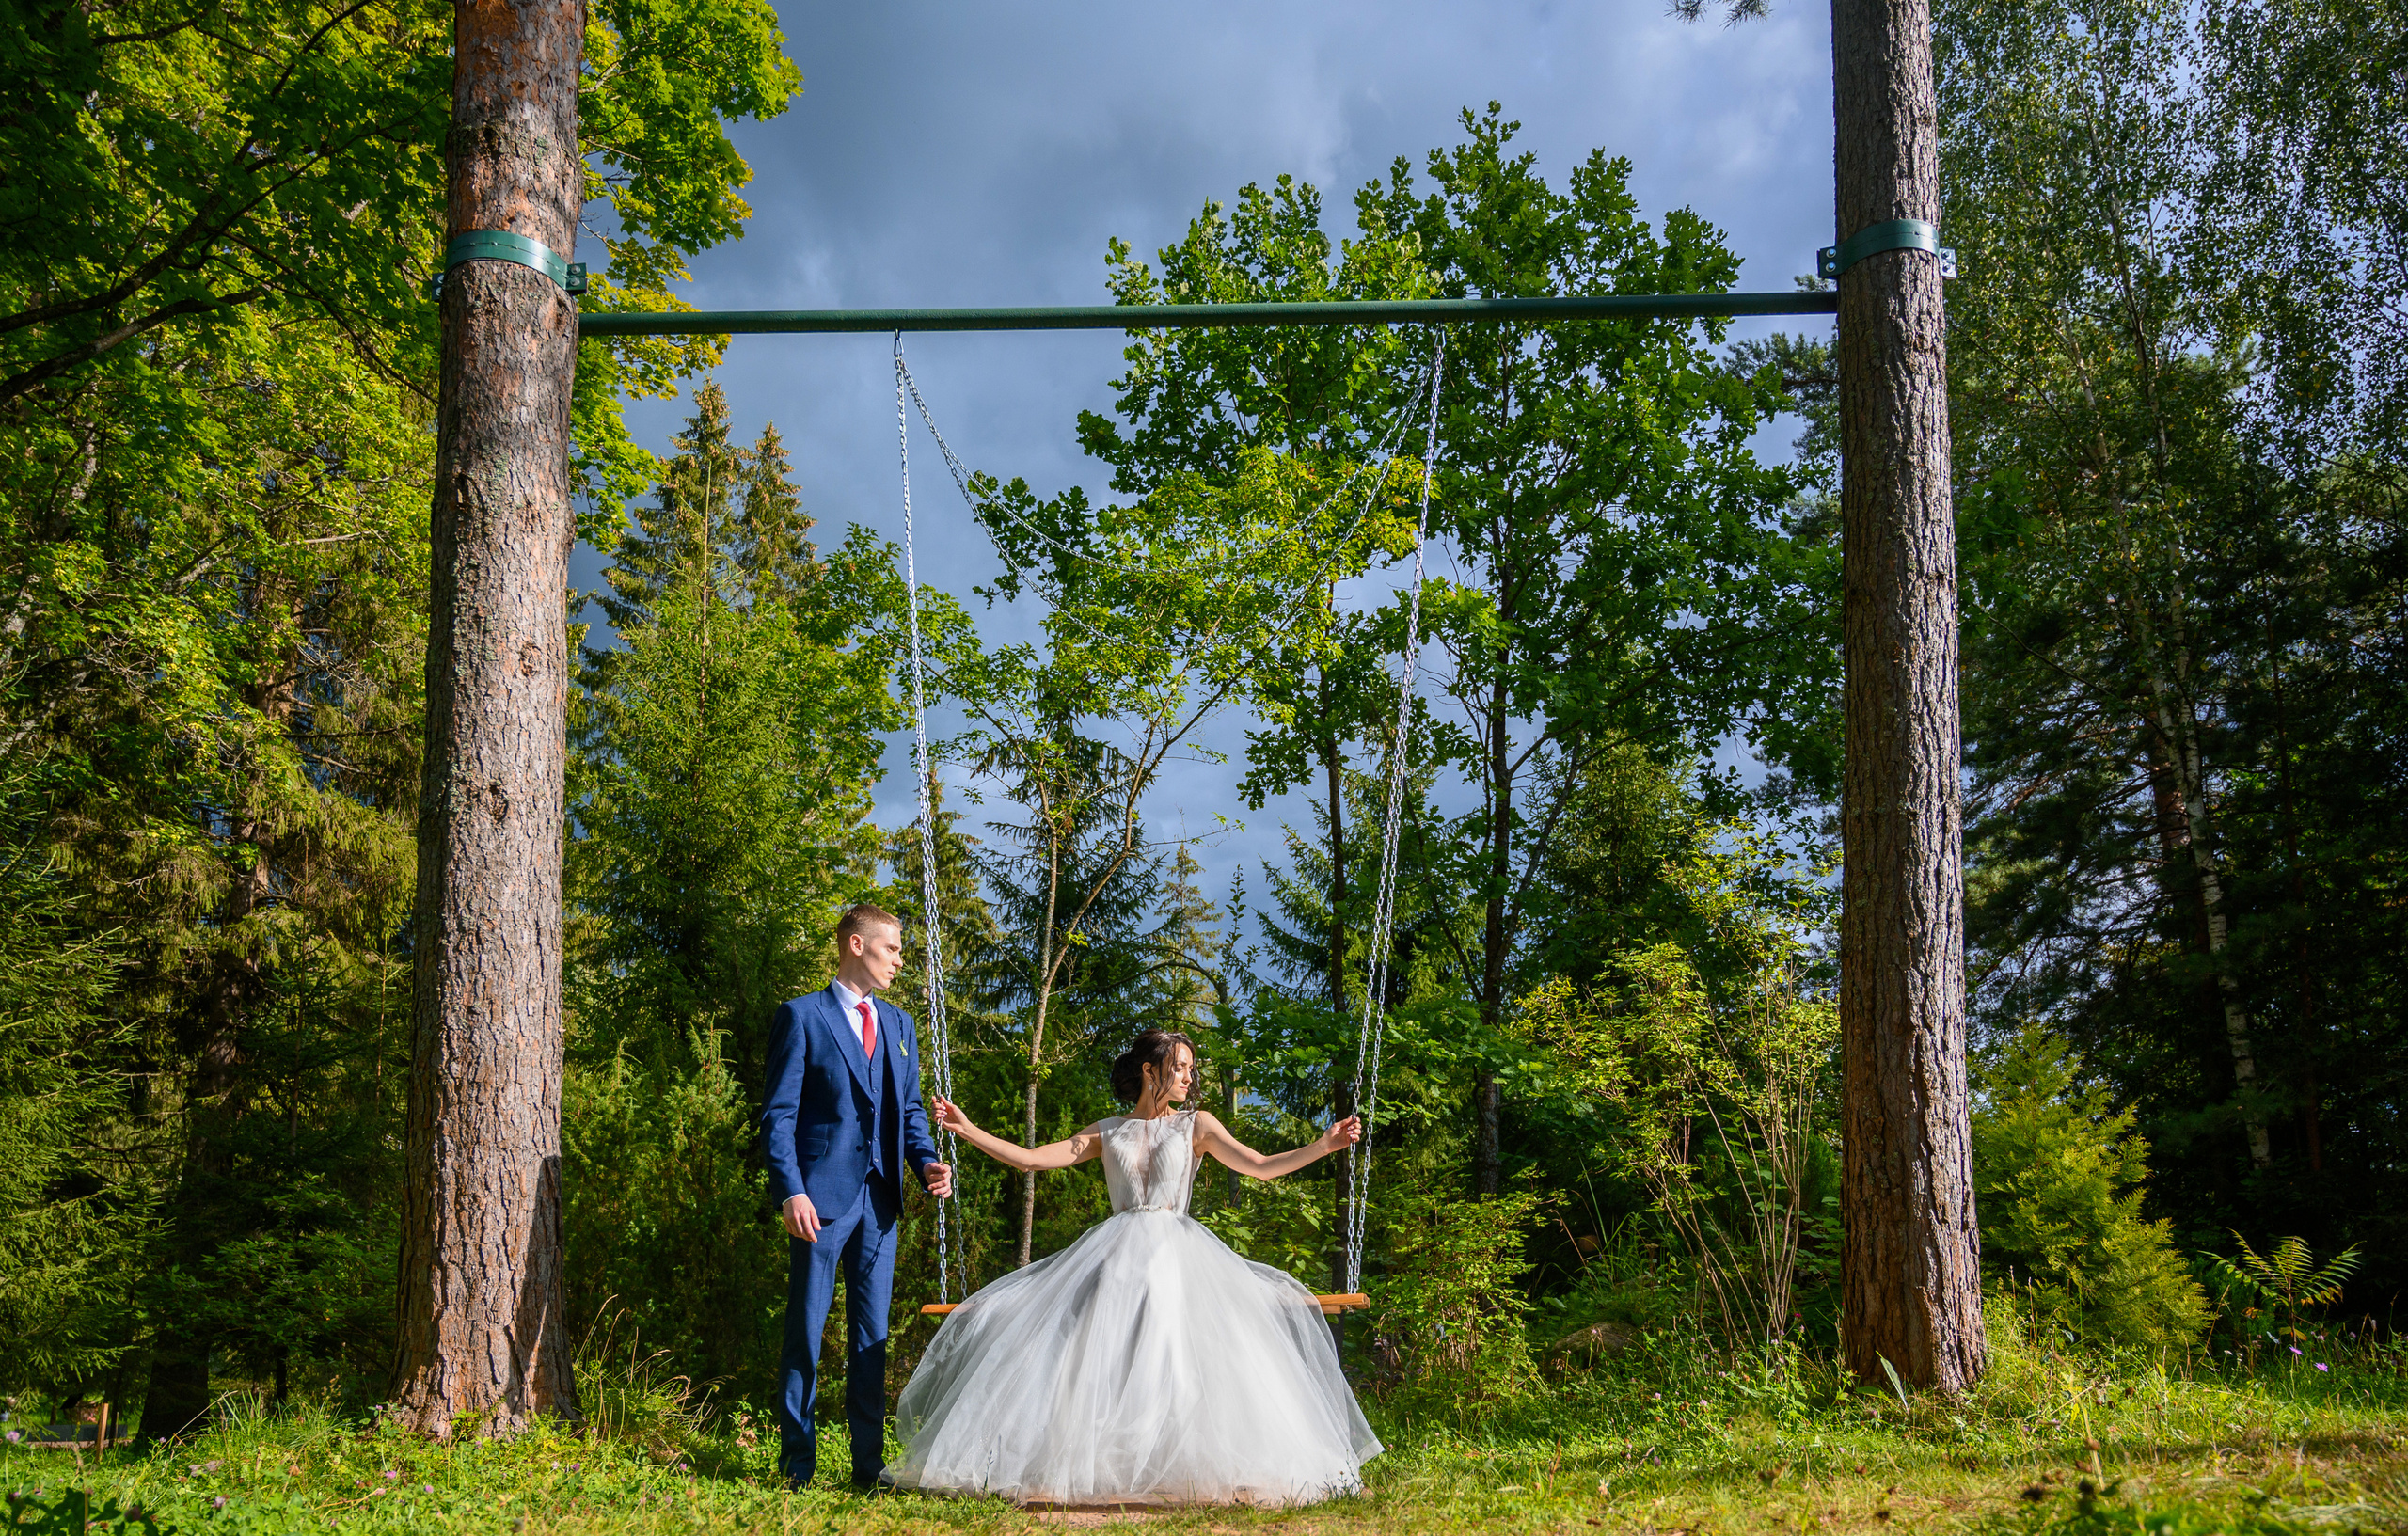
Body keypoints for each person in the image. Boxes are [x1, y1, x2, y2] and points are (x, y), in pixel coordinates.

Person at [883, 1028, 1383, 1508]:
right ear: (1151, 1071)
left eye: (1191, 1070)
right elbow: (1031, 1160)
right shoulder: (1109, 1131)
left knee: (1176, 1354)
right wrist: (967, 1129)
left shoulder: (1198, 1125)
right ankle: (1098, 1460)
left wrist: (1324, 1146)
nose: (1189, 1078)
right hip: (1115, 1254)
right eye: (1180, 1068)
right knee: (1096, 1353)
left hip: (1177, 1254)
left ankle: (1184, 1461)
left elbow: (1260, 1165)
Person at [759, 903, 953, 1491]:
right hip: (818, 1205)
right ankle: (797, 1469)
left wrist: (925, 1164)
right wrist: (791, 1190)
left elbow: (911, 1110)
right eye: (891, 948)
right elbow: (778, 1116)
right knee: (806, 1336)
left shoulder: (900, 1026)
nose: (899, 959)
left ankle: (868, 1473)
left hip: (880, 1205)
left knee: (872, 1340)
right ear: (854, 945)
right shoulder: (802, 1017)